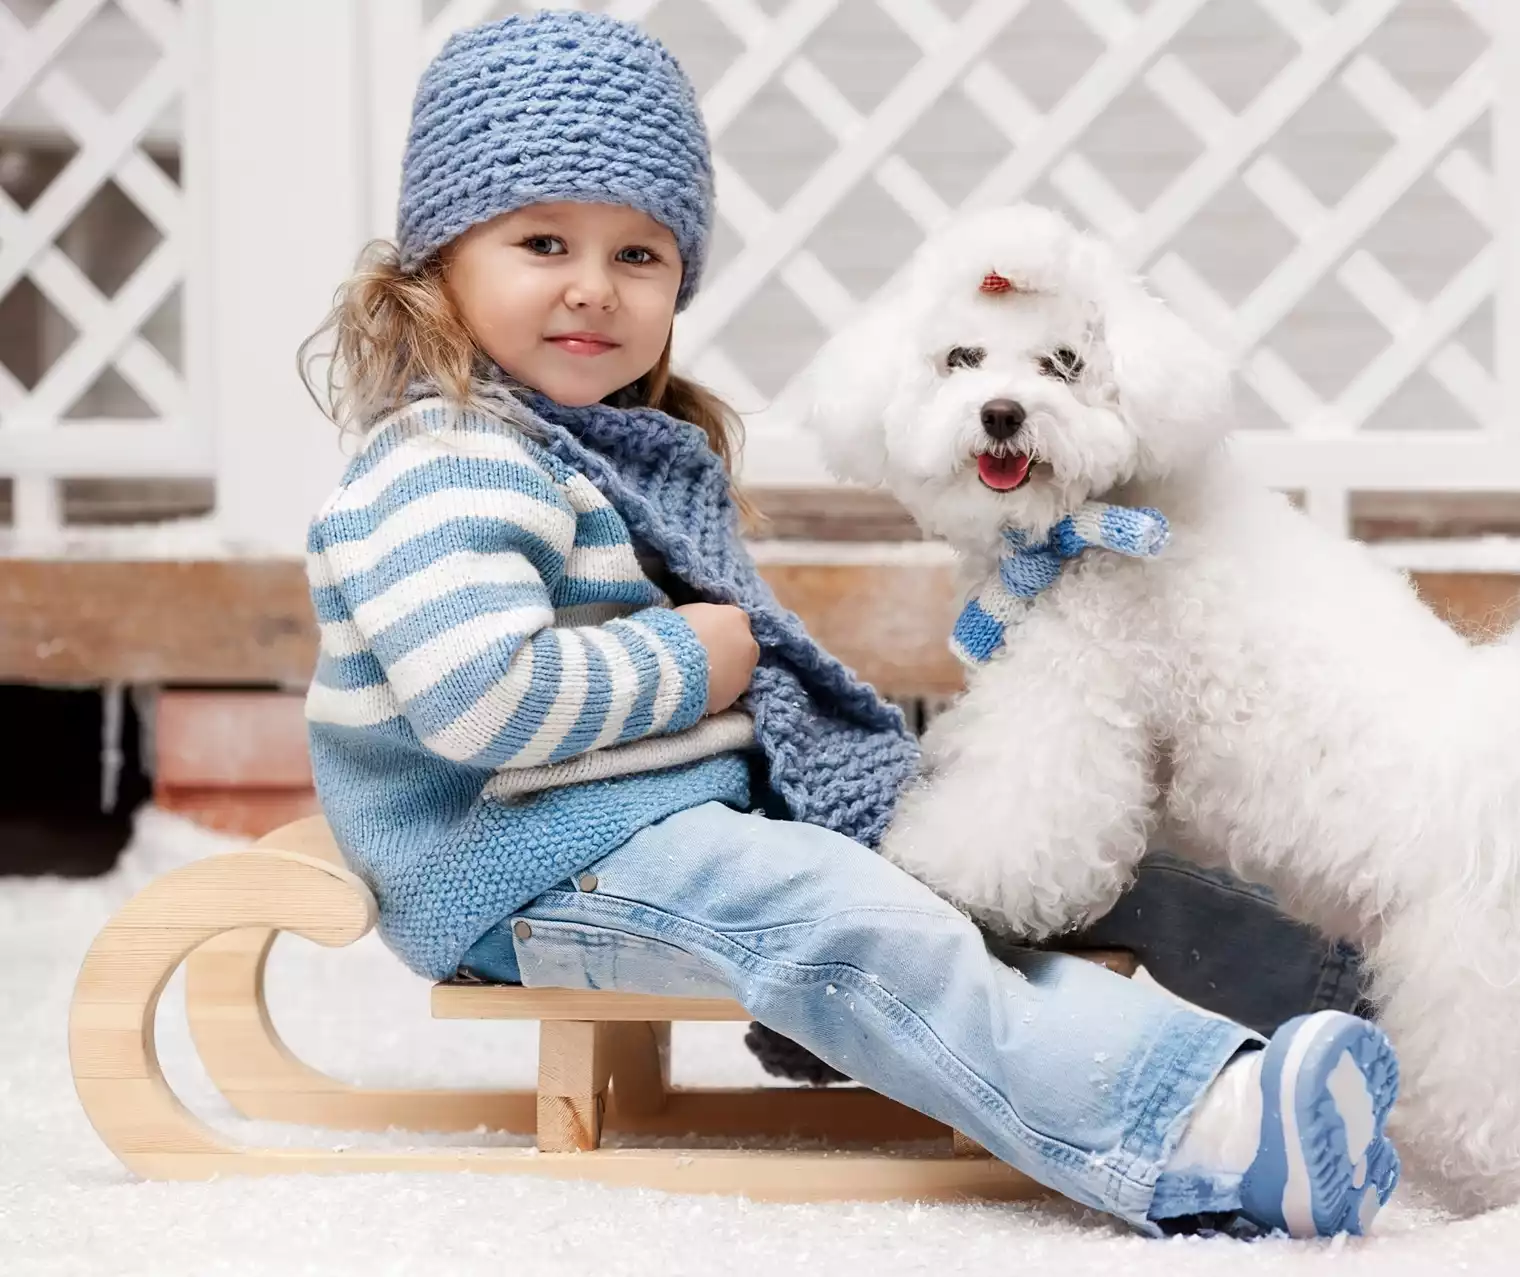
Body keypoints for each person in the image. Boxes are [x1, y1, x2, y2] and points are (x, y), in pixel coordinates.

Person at [300, 9, 1398, 1239]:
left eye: (642, 255)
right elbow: (479, 697)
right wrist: (694, 657)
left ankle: (1344, 1013)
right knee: (852, 920)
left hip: (641, 823)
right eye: (542, 240)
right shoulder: (443, 461)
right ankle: (1198, 1125)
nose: (593, 289)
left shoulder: (609, 448)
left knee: (978, 853)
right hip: (523, 861)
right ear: (438, 259)